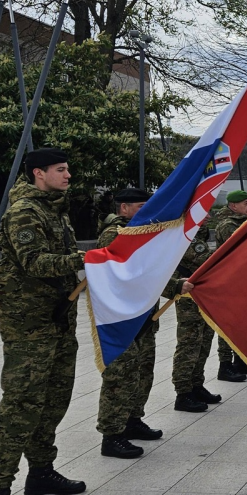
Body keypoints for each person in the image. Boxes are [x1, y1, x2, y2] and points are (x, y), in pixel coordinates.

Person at [0, 148, 86, 495]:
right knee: (21, 406)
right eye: (61, 169)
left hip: (57, 320)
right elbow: (35, 263)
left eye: (68, 168)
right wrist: (87, 259)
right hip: (29, 326)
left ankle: (41, 471)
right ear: (39, 173)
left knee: (54, 399)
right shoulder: (25, 211)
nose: (68, 175)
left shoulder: (54, 209)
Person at [95, 188, 163, 459]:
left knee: (142, 371)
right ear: (124, 208)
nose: (146, 211)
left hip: (142, 316)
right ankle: (112, 435)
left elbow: (148, 274)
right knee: (120, 377)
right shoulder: (116, 234)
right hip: (121, 319)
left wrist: (174, 285)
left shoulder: (140, 232)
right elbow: (121, 274)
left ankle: (133, 420)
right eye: (141, 206)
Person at [170, 198, 229, 413]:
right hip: (188, 299)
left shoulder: (200, 235)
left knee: (204, 342)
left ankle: (196, 385)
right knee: (189, 345)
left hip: (202, 297)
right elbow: (204, 260)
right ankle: (183, 393)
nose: (209, 216)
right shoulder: (185, 235)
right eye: (204, 212)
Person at [211, 190, 247, 379]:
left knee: (242, 323)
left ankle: (240, 361)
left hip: (243, 281)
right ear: (233, 206)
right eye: (245, 203)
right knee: (228, 324)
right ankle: (225, 365)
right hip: (230, 281)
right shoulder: (228, 225)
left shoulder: (242, 222)